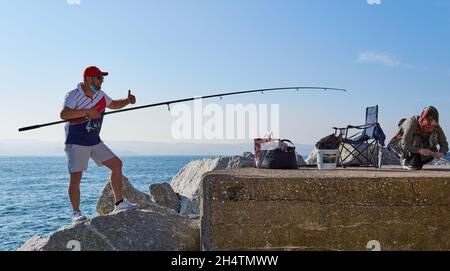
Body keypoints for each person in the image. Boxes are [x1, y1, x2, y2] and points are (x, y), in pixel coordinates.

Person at [60, 66, 138, 223]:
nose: (102, 81)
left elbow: (114, 104)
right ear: (88, 79)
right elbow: (64, 114)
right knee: (76, 178)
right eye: (99, 78)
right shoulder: (73, 95)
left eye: (102, 78)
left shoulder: (100, 95)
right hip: (76, 141)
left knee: (117, 165)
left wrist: (128, 101)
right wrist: (87, 111)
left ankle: (119, 203)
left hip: (95, 140)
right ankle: (76, 213)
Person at [388, 106, 448, 170]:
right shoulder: (412, 122)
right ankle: (406, 159)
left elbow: (444, 144)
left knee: (417, 164)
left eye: (431, 126)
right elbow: (405, 144)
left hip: (418, 149)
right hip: (397, 146)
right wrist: (420, 151)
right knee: (417, 138)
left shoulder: (436, 127)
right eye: (426, 126)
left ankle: (415, 162)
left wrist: (441, 153)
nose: (428, 129)